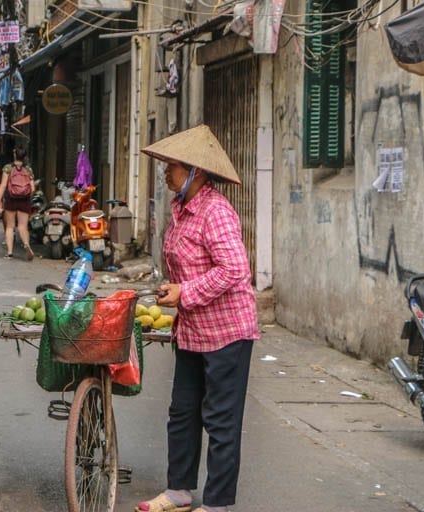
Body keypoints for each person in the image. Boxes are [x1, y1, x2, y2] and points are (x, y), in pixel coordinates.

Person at [136, 125, 260, 512]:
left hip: (227, 331)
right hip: (191, 330)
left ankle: (218, 503)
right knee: (183, 411)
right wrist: (174, 289)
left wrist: (185, 292)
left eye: (172, 166)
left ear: (197, 172)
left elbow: (235, 269)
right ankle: (178, 491)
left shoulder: (215, 211)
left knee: (221, 421)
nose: (166, 172)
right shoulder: (179, 208)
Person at [0, 146, 35, 261]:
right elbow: (32, 188)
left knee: (10, 226)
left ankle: (10, 252)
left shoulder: (8, 168)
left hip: (11, 199)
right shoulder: (28, 169)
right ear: (25, 156)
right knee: (23, 226)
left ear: (14, 155)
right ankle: (26, 244)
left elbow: (3, 185)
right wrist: (28, 198)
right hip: (24, 200)